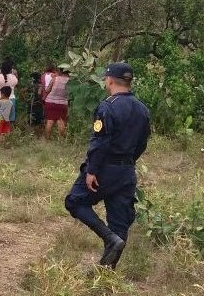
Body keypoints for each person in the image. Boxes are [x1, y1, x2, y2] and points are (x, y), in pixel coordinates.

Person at [64, 62, 151, 269]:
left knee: (75, 202)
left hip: (104, 170)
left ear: (109, 80)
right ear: (129, 82)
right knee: (119, 222)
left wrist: (92, 170)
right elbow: (142, 143)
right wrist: (127, 162)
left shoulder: (108, 106)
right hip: (127, 171)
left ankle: (109, 238)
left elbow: (100, 142)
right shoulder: (142, 109)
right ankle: (107, 270)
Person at [44, 67, 70, 140]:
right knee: (61, 121)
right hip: (62, 103)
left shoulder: (55, 79)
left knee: (49, 121)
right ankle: (62, 140)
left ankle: (47, 140)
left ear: (60, 71)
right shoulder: (70, 81)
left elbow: (47, 90)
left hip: (50, 102)